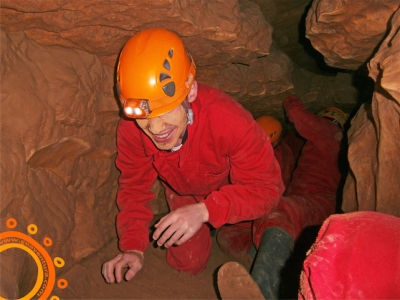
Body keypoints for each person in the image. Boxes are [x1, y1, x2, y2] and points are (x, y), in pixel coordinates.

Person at [101, 28, 285, 284]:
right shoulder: (132, 129)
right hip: (184, 193)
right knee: (188, 263)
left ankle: (230, 237)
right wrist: (133, 246)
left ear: (191, 93)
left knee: (265, 226)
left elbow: (266, 189)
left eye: (165, 112)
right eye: (144, 118)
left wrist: (207, 211)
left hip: (235, 188)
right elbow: (134, 188)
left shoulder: (229, 121)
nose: (156, 130)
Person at [217, 96, 348, 299]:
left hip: (320, 203)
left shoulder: (331, 133)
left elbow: (298, 115)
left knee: (279, 211)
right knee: (230, 233)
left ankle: (262, 291)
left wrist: (290, 99)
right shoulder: (303, 147)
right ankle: (284, 277)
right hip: (299, 205)